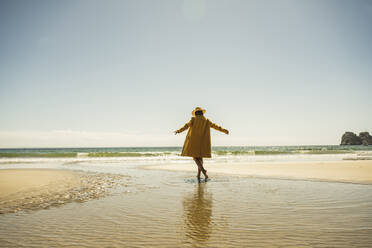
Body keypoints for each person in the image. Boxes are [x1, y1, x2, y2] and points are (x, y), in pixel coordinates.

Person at [174, 107, 229, 181]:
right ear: (202, 113)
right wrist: (224, 130)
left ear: (196, 113)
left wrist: (178, 131)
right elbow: (215, 126)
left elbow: (186, 126)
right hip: (203, 142)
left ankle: (203, 170)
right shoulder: (206, 121)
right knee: (200, 158)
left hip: (194, 141)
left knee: (195, 157)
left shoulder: (193, 119)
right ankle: (201, 175)